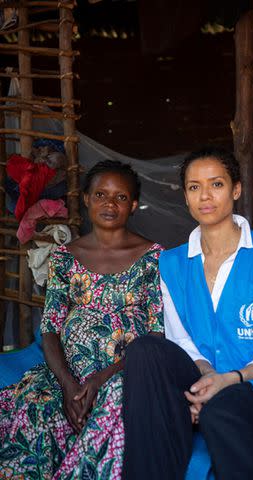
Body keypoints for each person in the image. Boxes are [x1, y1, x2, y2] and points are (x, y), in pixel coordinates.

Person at [122, 146, 253, 480]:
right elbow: (180, 339)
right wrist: (206, 376)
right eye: (194, 187)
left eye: (217, 184)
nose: (205, 196)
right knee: (144, 351)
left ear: (236, 189)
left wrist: (228, 380)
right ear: (185, 197)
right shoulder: (171, 264)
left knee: (221, 410)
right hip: (204, 375)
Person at [0, 160, 164, 479]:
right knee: (36, 408)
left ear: (133, 205)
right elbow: (49, 329)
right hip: (68, 376)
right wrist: (67, 386)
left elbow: (158, 334)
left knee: (116, 408)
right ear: (86, 199)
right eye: (101, 194)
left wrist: (100, 379)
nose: (109, 203)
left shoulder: (154, 258)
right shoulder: (65, 256)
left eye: (120, 197)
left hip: (124, 372)